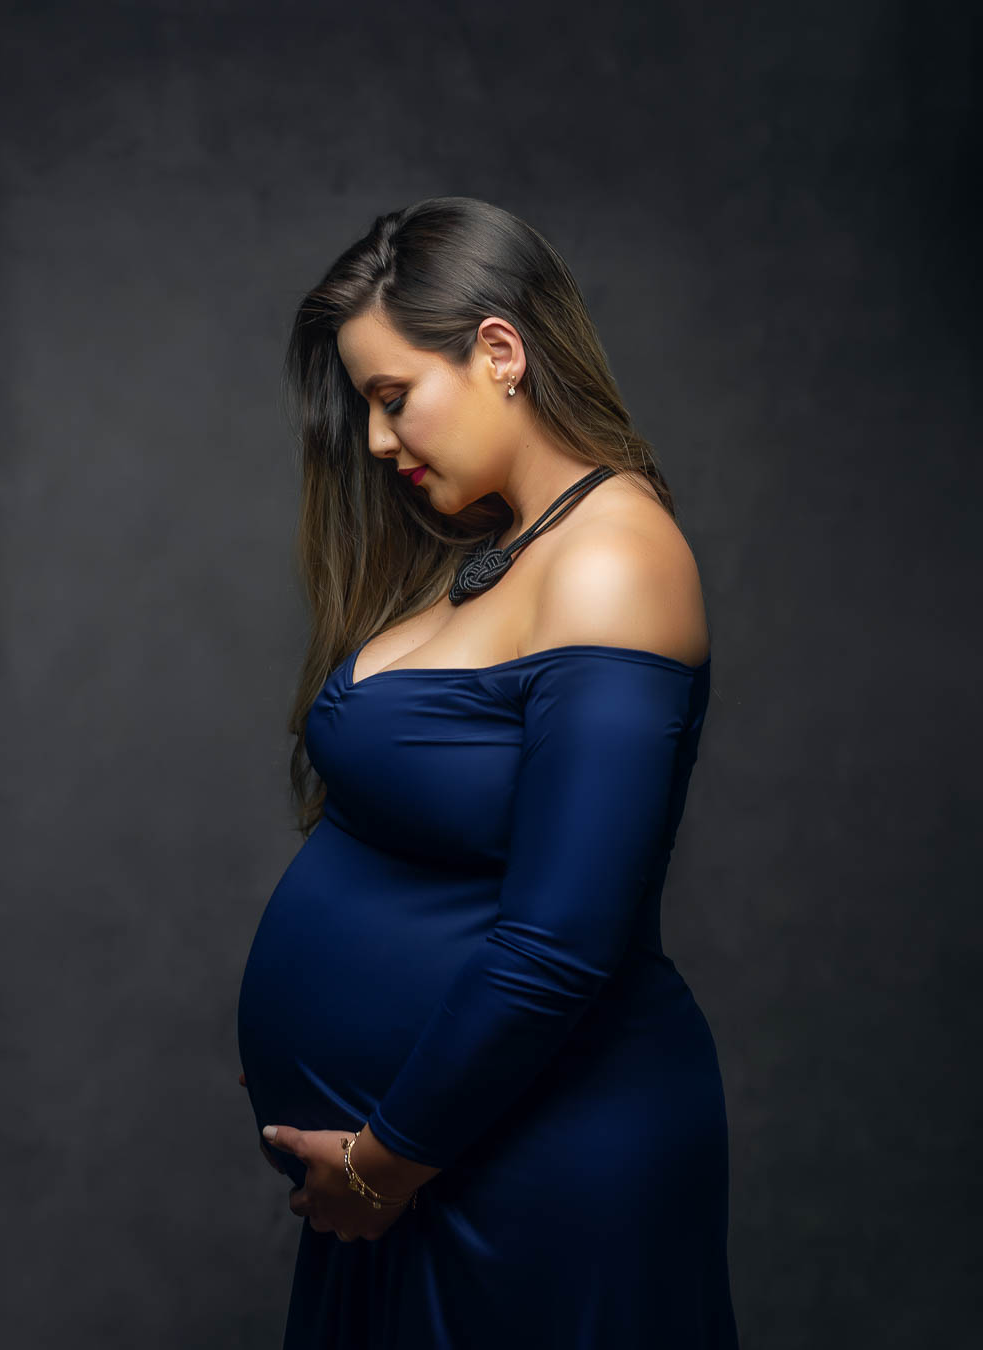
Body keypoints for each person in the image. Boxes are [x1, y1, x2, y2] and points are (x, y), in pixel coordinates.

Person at [237, 196, 739, 1348]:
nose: (375, 440)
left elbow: (560, 942)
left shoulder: (615, 556)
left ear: (499, 351)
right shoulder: (501, 549)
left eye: (392, 396)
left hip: (534, 1172)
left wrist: (382, 1165)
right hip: (428, 1170)